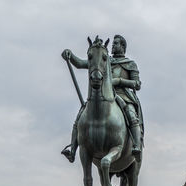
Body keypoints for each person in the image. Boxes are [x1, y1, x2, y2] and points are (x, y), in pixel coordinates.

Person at [61, 35, 143, 163]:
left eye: (116, 43)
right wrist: (70, 55)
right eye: (113, 43)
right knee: (81, 115)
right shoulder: (104, 60)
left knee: (132, 115)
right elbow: (81, 63)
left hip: (123, 96)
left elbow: (137, 84)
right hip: (102, 95)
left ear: (123, 47)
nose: (113, 46)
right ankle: (72, 149)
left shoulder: (130, 64)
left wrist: (118, 81)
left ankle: (136, 147)